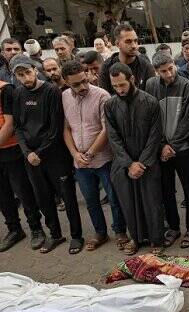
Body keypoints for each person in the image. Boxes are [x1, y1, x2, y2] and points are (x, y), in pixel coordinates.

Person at [11, 55, 83, 254]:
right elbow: (17, 126)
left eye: (28, 72)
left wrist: (38, 152)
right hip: (31, 158)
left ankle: (77, 236)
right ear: (16, 77)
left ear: (35, 70)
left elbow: (55, 128)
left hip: (55, 156)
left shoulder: (51, 91)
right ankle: (55, 234)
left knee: (68, 197)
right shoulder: (18, 93)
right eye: (20, 75)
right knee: (43, 198)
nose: (26, 78)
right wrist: (27, 152)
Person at [61, 60, 128, 251]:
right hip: (80, 163)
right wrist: (75, 154)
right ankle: (100, 233)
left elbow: (107, 129)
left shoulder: (102, 95)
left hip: (104, 159)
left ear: (87, 74)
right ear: (66, 82)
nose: (82, 86)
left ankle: (120, 231)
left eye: (84, 80)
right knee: (91, 200)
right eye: (76, 84)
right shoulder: (64, 96)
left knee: (114, 198)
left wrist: (90, 152)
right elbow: (66, 128)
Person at [105, 62, 164, 255]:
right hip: (123, 164)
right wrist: (129, 164)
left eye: (122, 84)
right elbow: (113, 137)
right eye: (115, 86)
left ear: (132, 79)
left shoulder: (150, 102)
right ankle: (136, 238)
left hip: (148, 162)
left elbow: (155, 135)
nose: (119, 90)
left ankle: (156, 239)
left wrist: (142, 163)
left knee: (152, 202)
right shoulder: (110, 105)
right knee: (128, 203)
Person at [144, 53, 189, 248]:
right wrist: (161, 146)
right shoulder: (151, 85)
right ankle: (174, 228)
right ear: (156, 71)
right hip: (161, 150)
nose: (168, 74)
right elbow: (150, 118)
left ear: (174, 64)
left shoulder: (186, 86)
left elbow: (187, 121)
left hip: (182, 149)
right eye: (163, 71)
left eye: (170, 68)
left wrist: (171, 146)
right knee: (166, 191)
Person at [0, 66, 46, 252]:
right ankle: (14, 229)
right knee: (3, 195)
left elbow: (10, 124)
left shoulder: (5, 89)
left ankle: (36, 228)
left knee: (23, 191)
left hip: (12, 150)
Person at [99, 24, 155, 95]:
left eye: (135, 41)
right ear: (117, 44)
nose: (134, 46)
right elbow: (106, 96)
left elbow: (150, 98)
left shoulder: (146, 66)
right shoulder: (106, 67)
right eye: (128, 41)